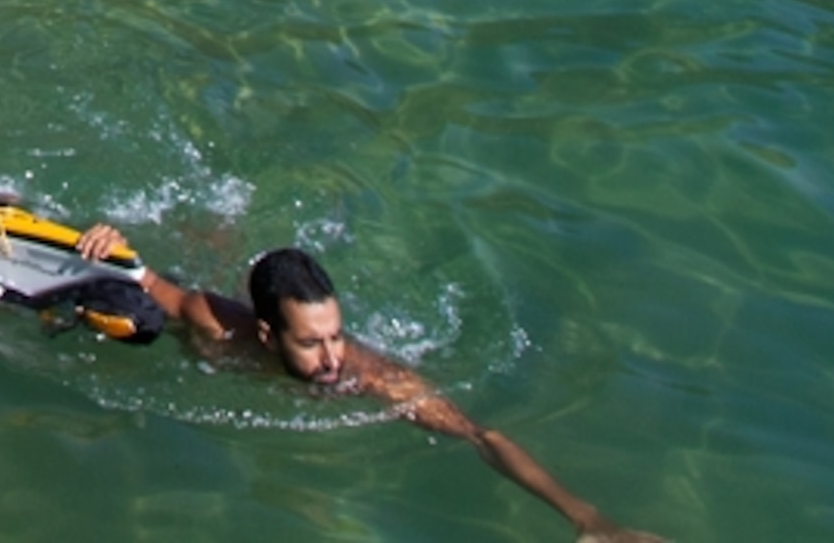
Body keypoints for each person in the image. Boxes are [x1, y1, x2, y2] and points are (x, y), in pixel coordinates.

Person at [73, 226, 667, 542]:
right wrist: (107, 243)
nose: (332, 358)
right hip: (209, 299)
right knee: (203, 248)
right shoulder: (215, 323)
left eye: (336, 335)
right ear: (266, 336)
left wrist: (588, 518)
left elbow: (481, 436)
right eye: (310, 343)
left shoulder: (370, 374)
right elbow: (142, 275)